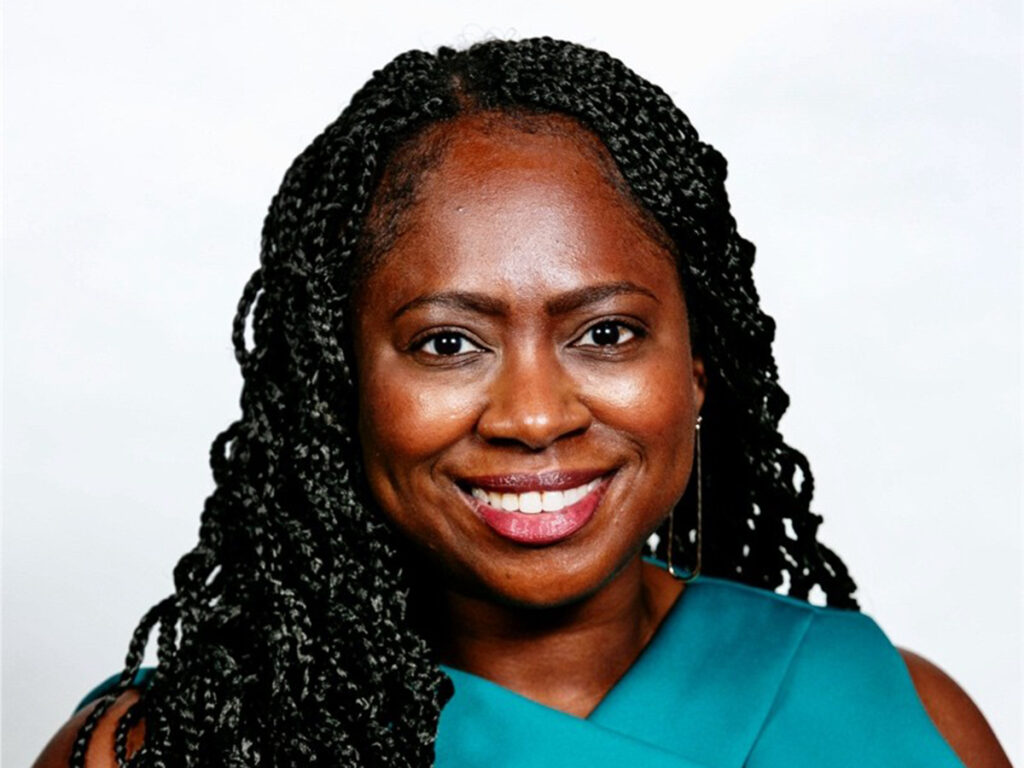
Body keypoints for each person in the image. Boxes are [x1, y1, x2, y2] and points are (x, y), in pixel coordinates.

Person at [34, 37, 1009, 768]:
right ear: (343, 384)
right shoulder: (171, 749)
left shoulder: (909, 721)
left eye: (607, 333)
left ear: (700, 366)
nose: (535, 415)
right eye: (447, 343)